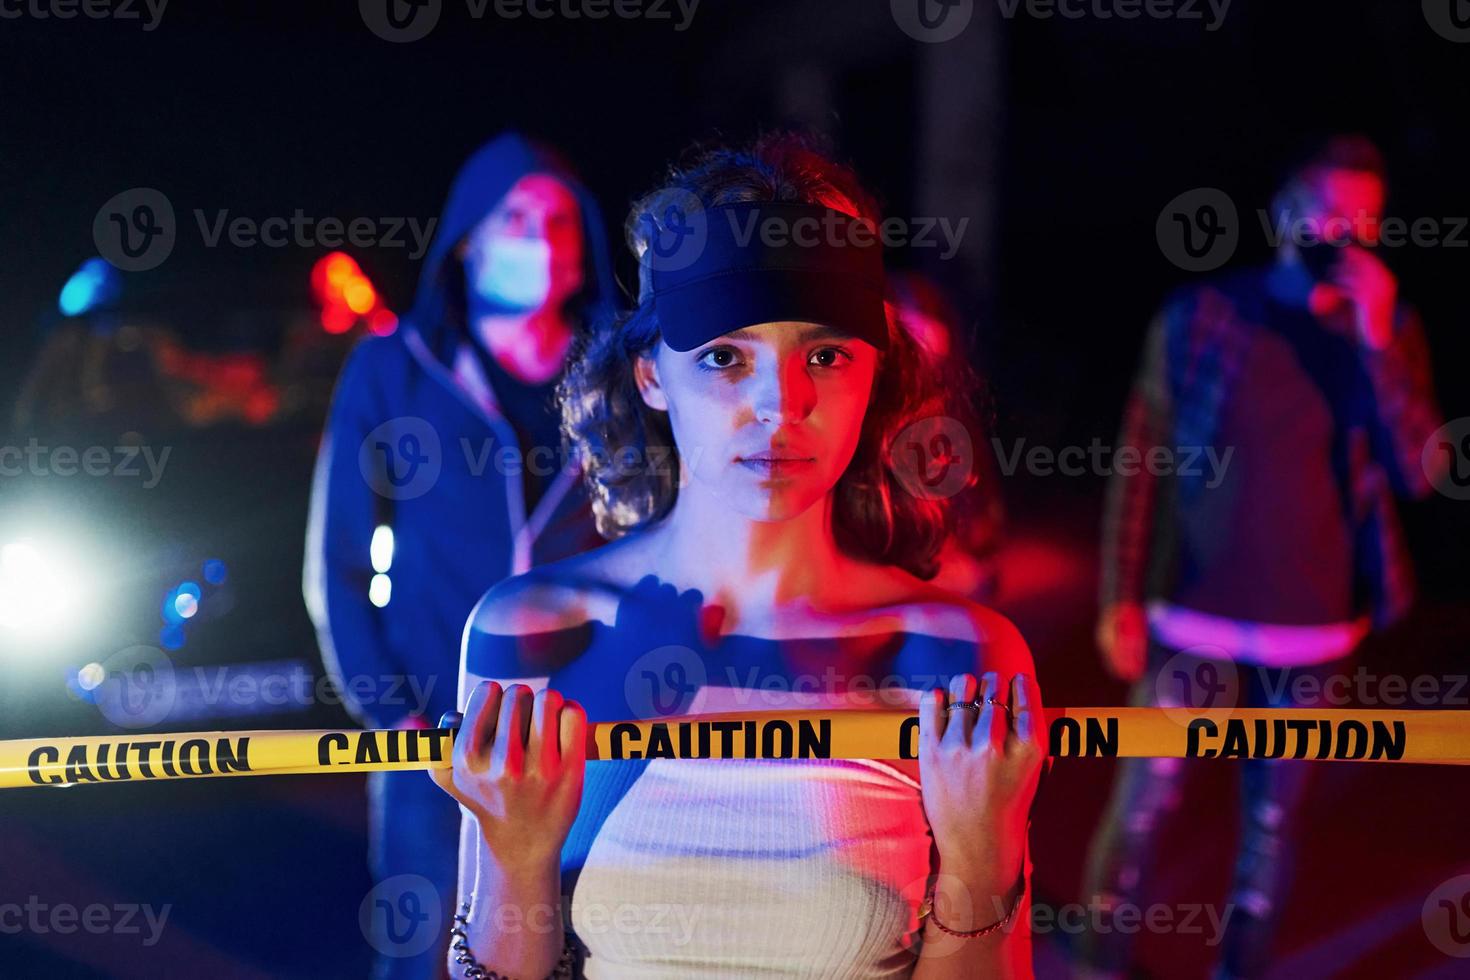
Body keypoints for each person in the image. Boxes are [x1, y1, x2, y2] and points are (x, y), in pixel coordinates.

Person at [429, 133, 1048, 978]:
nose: (780, 405)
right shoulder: (533, 633)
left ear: (876, 375)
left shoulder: (957, 657)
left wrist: (983, 863)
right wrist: (514, 860)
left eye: (824, 356)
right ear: (650, 375)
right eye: (726, 356)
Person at [1083, 135, 1444, 978]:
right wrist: (1119, 597)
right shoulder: (1204, 313)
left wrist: (1379, 335)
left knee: (1272, 826)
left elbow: (1421, 472)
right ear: (1285, 211)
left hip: (1313, 631)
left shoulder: (1383, 334)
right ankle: (1099, 962)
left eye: (1366, 219)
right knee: (1144, 806)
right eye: (1328, 209)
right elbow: (1142, 462)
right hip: (1191, 616)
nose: (1345, 231)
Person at [303, 132, 617, 980]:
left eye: (557, 219)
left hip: (589, 736)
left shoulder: (620, 379)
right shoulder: (395, 372)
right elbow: (333, 562)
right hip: (431, 735)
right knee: (422, 953)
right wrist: (390, 712)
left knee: (584, 949)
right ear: (470, 238)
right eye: (514, 216)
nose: (538, 239)